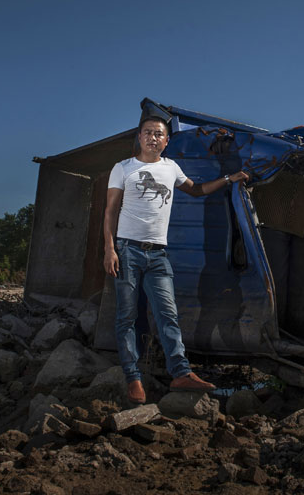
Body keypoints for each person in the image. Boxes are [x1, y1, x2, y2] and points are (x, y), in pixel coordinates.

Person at [103, 116, 249, 405]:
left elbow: (196, 190)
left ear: (166, 141)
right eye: (148, 133)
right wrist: (109, 248)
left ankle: (181, 373)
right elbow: (110, 211)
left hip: (158, 254)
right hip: (128, 250)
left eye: (159, 134)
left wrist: (229, 179)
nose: (153, 138)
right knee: (127, 318)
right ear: (140, 137)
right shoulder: (123, 168)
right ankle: (133, 378)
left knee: (167, 314)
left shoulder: (171, 168)